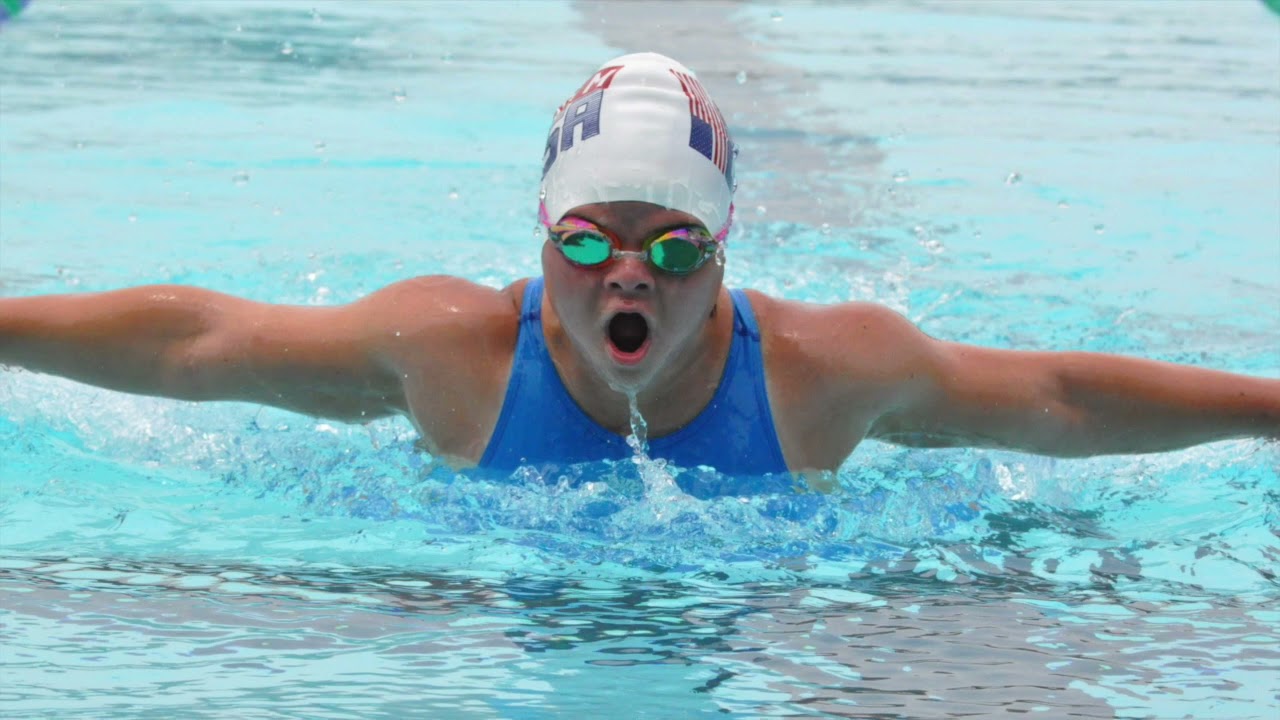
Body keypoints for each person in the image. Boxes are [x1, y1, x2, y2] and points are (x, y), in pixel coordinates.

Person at [1, 53, 1277, 481]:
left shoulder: (821, 375)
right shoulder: (449, 352)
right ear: (539, 242)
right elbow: (201, 343)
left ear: (721, 257)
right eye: (587, 239)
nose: (628, 275)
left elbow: (1054, 397)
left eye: (670, 245)